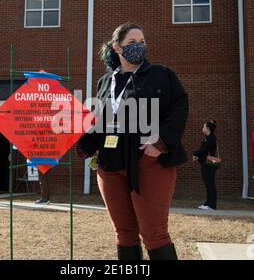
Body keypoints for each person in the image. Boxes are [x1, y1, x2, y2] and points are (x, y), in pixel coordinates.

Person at [77, 22, 189, 260]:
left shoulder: (161, 75)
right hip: (110, 166)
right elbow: (99, 119)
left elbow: (179, 108)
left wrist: (160, 143)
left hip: (148, 165)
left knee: (154, 233)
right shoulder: (105, 81)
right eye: (132, 43)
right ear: (117, 47)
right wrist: (92, 148)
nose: (139, 46)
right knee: (124, 234)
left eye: (142, 42)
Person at [193, 120, 218, 210]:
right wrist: (197, 156)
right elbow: (204, 151)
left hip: (209, 165)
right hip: (205, 163)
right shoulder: (207, 138)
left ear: (207, 128)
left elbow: (204, 149)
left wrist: (194, 153)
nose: (202, 129)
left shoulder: (211, 138)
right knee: (208, 184)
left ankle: (211, 204)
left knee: (210, 183)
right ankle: (208, 203)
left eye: (204, 127)